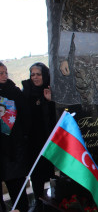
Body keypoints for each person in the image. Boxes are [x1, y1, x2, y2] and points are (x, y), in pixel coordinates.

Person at [22, 62, 56, 210]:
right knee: (36, 174)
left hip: (49, 140)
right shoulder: (26, 91)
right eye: (32, 74)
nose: (35, 77)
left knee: (50, 172)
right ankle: (38, 201)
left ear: (45, 75)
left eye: (38, 74)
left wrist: (49, 101)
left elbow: (57, 116)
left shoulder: (51, 89)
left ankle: (52, 200)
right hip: (32, 142)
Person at [0, 62, 30, 212]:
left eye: (6, 72)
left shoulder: (14, 92)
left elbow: (26, 117)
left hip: (13, 152)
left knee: (18, 193)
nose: (5, 76)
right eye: (1, 73)